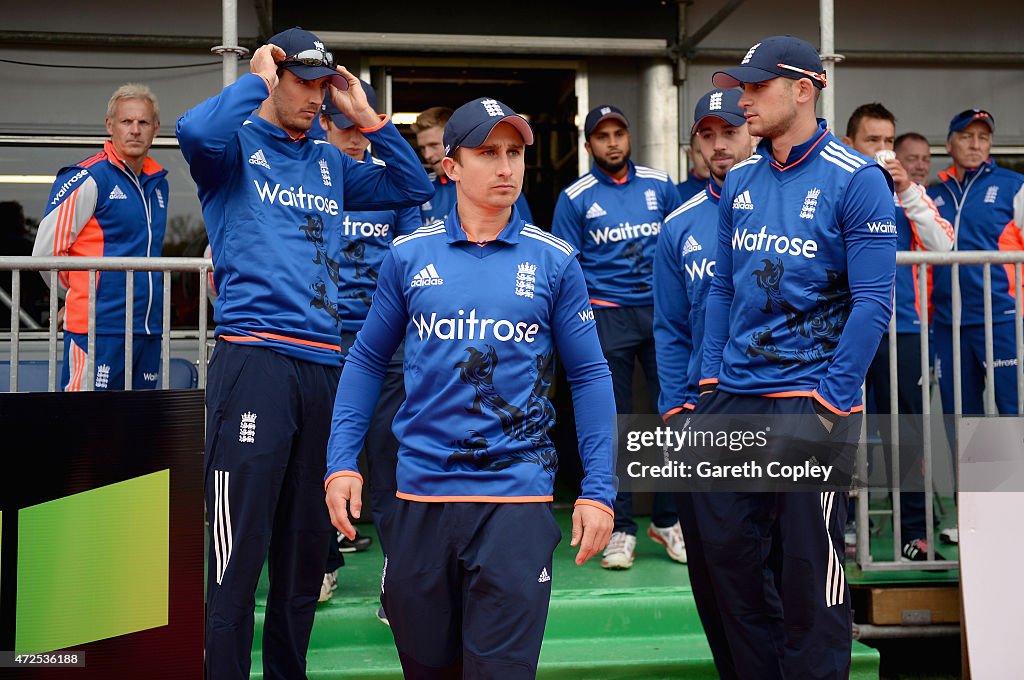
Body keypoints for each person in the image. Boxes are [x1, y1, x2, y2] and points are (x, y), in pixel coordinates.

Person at [324, 97, 615, 678]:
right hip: (420, 499)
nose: (507, 167)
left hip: (518, 500)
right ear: (451, 167)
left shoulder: (555, 261)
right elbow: (364, 359)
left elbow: (589, 375)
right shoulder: (408, 256)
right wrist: (341, 462)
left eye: (515, 153)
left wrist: (598, 489)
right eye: (489, 153)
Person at [176, 27, 432, 679]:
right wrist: (257, 79)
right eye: (306, 83)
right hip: (254, 360)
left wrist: (369, 119)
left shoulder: (329, 161)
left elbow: (410, 187)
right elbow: (194, 132)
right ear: (276, 75)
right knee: (236, 559)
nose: (318, 98)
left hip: (323, 366)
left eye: (326, 86)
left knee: (302, 553)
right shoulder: (233, 146)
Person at [696, 35, 896, 677]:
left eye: (756, 88)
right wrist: (708, 376)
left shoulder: (856, 178)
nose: (741, 99)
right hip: (734, 398)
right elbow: (723, 286)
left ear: (803, 89)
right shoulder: (742, 178)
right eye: (741, 87)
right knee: (726, 558)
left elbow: (874, 303)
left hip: (811, 398)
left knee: (810, 573)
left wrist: (832, 400)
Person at [552, 103, 684, 570]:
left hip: (661, 314)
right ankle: (622, 529)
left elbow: (680, 248)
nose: (612, 142)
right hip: (607, 317)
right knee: (616, 423)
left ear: (629, 138)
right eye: (601, 135)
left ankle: (668, 520)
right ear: (588, 145)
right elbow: (565, 268)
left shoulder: (660, 184)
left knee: (675, 413)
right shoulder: (575, 197)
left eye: (618, 133)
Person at [654, 88, 754, 680]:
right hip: (700, 418)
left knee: (786, 565)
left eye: (731, 132)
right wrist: (673, 409)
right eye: (708, 135)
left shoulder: (791, 207)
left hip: (780, 408)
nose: (720, 145)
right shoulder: (678, 226)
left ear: (753, 133)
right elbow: (668, 328)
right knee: (718, 570)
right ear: (695, 147)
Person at [316, 82, 420, 614]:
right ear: (324, 126)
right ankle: (322, 565)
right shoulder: (313, 179)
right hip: (322, 340)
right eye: (345, 128)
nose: (355, 139)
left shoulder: (386, 187)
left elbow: (413, 257)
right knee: (321, 452)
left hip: (386, 343)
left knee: (389, 458)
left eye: (363, 128)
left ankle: (396, 575)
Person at [841, 104, 954, 561]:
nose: (884, 151)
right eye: (874, 141)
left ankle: (914, 532)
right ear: (851, 145)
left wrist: (906, 189)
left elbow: (945, 246)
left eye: (889, 141)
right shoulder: (837, 187)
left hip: (904, 330)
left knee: (905, 435)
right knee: (839, 429)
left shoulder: (909, 193)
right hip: (844, 331)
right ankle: (841, 528)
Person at [32, 84, 167, 391]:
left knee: (136, 430)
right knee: (87, 429)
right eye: (126, 122)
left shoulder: (160, 184)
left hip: (147, 329)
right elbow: (46, 253)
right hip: (96, 330)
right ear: (109, 125)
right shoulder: (87, 177)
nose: (135, 130)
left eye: (143, 122)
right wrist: (80, 293)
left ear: (156, 129)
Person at [927, 109, 1023, 418]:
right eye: (966, 136)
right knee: (961, 419)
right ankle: (970, 471)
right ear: (948, 145)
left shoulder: (1014, 185)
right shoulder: (932, 194)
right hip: (948, 323)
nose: (975, 145)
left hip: (1002, 319)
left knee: (1014, 412)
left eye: (983, 138)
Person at [412, 105, 534, 226]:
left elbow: (526, 238)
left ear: (451, 142)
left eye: (433, 145)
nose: (427, 155)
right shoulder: (420, 188)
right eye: (422, 148)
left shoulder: (503, 186)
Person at [676, 133, 711, 201]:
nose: (706, 159)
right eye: (700, 152)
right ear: (690, 154)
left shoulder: (732, 193)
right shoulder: (676, 194)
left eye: (711, 151)